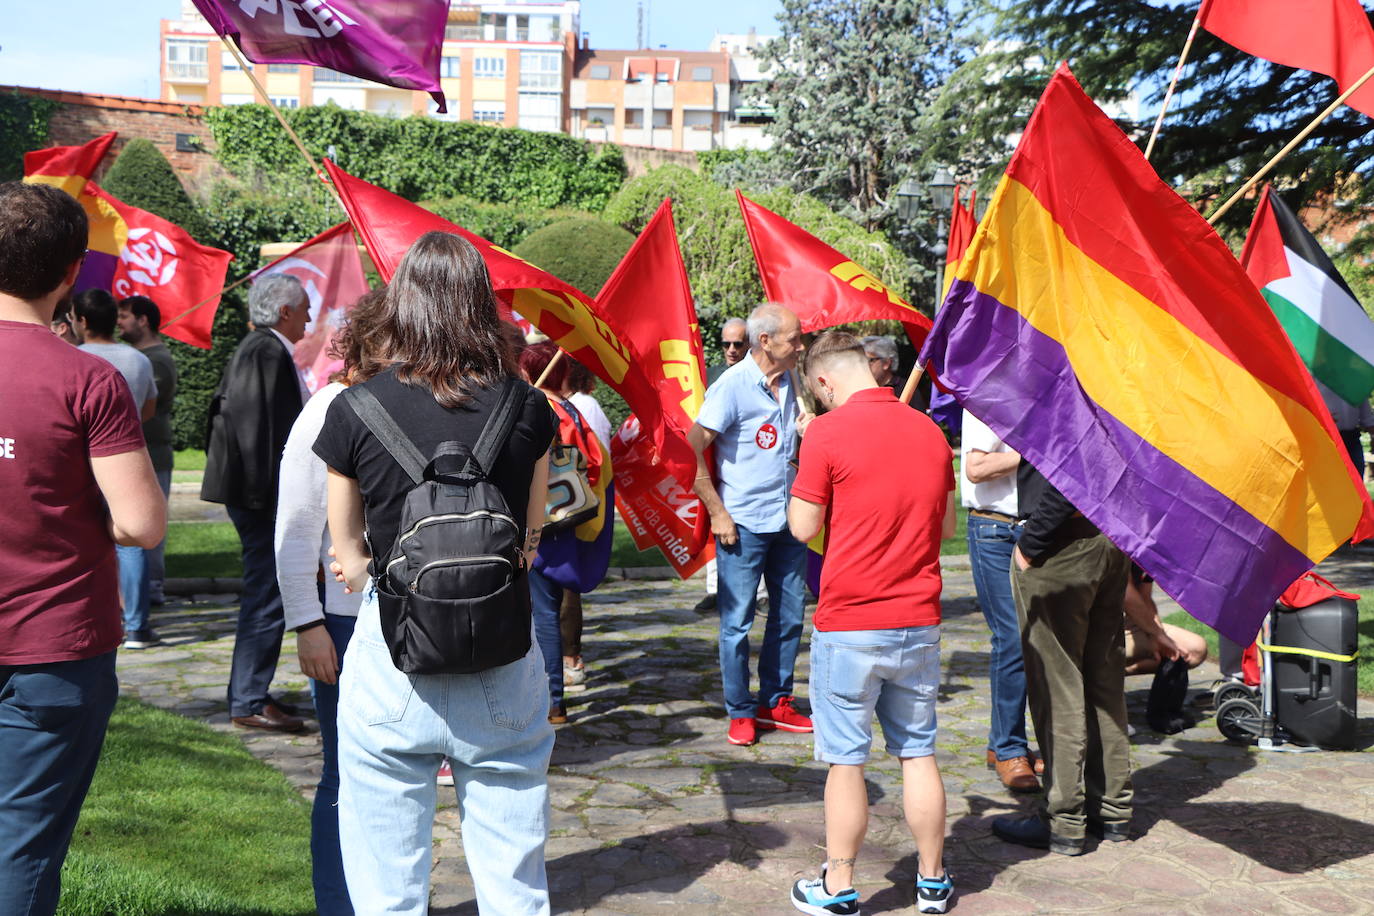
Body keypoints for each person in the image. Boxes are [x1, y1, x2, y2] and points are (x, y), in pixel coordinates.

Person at [315, 230, 556, 915]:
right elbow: (530, 541)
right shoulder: (526, 406)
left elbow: (349, 554)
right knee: (515, 887)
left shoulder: (355, 409)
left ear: (402, 304)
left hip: (394, 655)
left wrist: (374, 569)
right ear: (482, 304)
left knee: (387, 890)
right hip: (503, 659)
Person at [0, 181, 165, 916]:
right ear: (72, 272)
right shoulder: (87, 379)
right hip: (53, 645)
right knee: (22, 845)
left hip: (52, 649)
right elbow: (141, 524)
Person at [787, 332, 956, 915]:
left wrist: (809, 457)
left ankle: (838, 887)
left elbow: (801, 528)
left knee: (846, 760)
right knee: (918, 753)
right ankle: (932, 881)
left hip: (851, 621)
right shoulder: (929, 430)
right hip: (918, 618)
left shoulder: (828, 433)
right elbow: (948, 525)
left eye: (816, 393)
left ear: (825, 381)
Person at [275, 287, 386, 916]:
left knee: (392, 778)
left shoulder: (411, 401)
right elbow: (294, 530)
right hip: (340, 627)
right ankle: (337, 906)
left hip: (401, 624)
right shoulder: (328, 408)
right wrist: (307, 624)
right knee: (344, 777)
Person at [689, 303, 814, 747]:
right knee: (737, 623)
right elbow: (692, 445)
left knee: (789, 617)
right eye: (794, 338)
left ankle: (777, 701)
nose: (801, 345)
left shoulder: (794, 379)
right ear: (766, 342)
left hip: (789, 520)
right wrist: (717, 511)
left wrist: (809, 431)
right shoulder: (732, 385)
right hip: (741, 525)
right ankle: (740, 709)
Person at [993, 462, 1131, 856]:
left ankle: (1064, 818)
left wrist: (1031, 544)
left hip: (1064, 544)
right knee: (1103, 683)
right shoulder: (1119, 398)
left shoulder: (1071, 398)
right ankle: (1111, 810)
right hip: (1107, 536)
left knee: (1059, 687)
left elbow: (1070, 467)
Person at [201, 274, 311, 732]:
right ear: (284, 312)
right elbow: (251, 429)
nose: (308, 316)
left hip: (257, 493)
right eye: (304, 307)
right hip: (260, 497)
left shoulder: (264, 349)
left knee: (269, 593)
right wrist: (269, 497)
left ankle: (251, 692)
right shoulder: (264, 350)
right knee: (267, 594)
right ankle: (248, 698)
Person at [73, 289, 161, 650]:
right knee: (132, 542)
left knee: (82, 539)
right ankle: (137, 624)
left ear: (80, 321)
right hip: (127, 455)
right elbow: (151, 409)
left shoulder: (74, 358)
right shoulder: (138, 360)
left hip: (79, 464)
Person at [961, 409, 1039, 792]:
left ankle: (1005, 742)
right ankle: (1009, 749)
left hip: (1032, 528)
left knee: (1032, 639)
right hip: (994, 528)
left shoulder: (1039, 394)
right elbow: (975, 468)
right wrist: (1037, 455)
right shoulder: (986, 397)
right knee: (1012, 639)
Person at [118, 295, 178, 607]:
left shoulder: (158, 360)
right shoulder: (141, 357)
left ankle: (150, 592)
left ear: (143, 320)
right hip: (144, 453)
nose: (119, 322)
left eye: (125, 316)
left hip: (152, 455)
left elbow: (145, 407)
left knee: (148, 529)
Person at [697, 316, 760, 613]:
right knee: (716, 532)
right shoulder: (713, 377)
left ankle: (759, 594)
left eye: (738, 343)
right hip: (715, 468)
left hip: (747, 472)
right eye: (726, 344)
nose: (732, 349)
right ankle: (714, 590)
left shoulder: (761, 377)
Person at [861, 334, 928, 412]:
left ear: (886, 363)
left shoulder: (906, 389)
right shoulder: (862, 388)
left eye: (870, 360)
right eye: (862, 361)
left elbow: (919, 420)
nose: (864, 366)